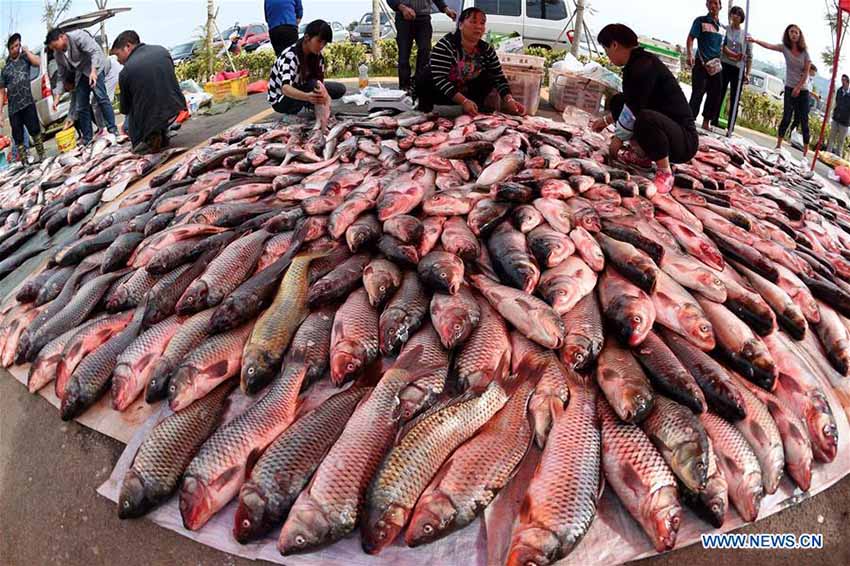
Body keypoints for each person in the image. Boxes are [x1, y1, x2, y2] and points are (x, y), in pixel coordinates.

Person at [591, 24, 698, 195]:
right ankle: (643, 157)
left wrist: (618, 140)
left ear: (614, 45)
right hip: (665, 131)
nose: (608, 56)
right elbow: (629, 102)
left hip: (683, 142)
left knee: (645, 118)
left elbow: (634, 108)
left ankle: (665, 172)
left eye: (606, 50)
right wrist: (605, 121)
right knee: (619, 101)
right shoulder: (635, 63)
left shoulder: (644, 65)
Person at [416, 8, 525, 116]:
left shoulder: (486, 50)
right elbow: (440, 80)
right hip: (439, 92)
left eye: (482, 23)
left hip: (463, 90)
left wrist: (509, 100)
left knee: (489, 76)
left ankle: (473, 106)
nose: (478, 26)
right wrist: (464, 101)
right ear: (460, 25)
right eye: (473, 22)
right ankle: (430, 108)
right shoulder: (446, 45)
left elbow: (499, 77)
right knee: (427, 77)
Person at [110, 30, 186, 154]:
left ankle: (151, 138)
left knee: (128, 124)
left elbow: (125, 108)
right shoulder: (162, 50)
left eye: (118, 55)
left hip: (154, 116)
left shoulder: (127, 70)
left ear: (128, 46)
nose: (118, 60)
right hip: (176, 107)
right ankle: (161, 131)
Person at [45, 27, 118, 144]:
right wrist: (57, 96)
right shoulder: (58, 54)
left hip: (95, 66)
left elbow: (95, 52)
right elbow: (61, 75)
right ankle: (87, 138)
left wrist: (94, 71)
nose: (55, 49)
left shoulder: (78, 36)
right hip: (82, 72)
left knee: (101, 97)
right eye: (53, 48)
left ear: (61, 37)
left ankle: (113, 130)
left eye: (55, 45)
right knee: (81, 104)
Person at [750, 25, 812, 156]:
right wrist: (755, 40)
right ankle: (778, 145)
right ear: (788, 34)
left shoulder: (805, 52)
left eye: (796, 32)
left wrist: (799, 87)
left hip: (803, 90)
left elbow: (807, 73)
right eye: (791, 32)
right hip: (789, 87)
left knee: (804, 120)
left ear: (800, 35)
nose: (794, 34)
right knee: (787, 117)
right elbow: (769, 46)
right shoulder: (785, 48)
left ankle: (805, 154)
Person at [268, 20, 346, 115]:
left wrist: (325, 98)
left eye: (324, 43)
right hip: (281, 99)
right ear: (307, 37)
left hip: (303, 87)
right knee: (312, 86)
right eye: (319, 41)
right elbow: (285, 88)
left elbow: (319, 83)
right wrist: (307, 97)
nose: (321, 46)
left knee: (339, 89)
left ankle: (309, 104)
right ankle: (300, 106)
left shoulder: (318, 56)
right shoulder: (290, 56)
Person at [388, 0, 457, 94]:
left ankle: (419, 84)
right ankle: (404, 87)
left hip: (423, 19)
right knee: (404, 54)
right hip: (403, 18)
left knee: (425, 50)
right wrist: (402, 8)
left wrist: (446, 9)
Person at [0, 33, 45, 164]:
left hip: (28, 103)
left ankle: (42, 155)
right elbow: (1, 92)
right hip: (14, 108)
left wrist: (27, 51)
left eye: (17, 45)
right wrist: (1, 113)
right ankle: (24, 161)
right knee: (18, 136)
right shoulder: (5, 69)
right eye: (13, 47)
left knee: (35, 130)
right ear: (9, 49)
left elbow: (38, 62)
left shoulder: (25, 58)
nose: (16, 49)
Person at [687, 0, 724, 130]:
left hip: (716, 65)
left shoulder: (722, 28)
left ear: (720, 6)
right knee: (698, 92)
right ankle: (689, 121)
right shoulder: (700, 21)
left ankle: (706, 122)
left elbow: (723, 48)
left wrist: (736, 56)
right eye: (710, 3)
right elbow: (691, 38)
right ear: (707, 5)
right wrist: (690, 54)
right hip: (701, 63)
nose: (713, 6)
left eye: (716, 3)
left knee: (715, 93)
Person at [715, 5, 751, 129]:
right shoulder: (726, 29)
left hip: (738, 69)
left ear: (741, 18)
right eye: (733, 13)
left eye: (738, 14)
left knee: (735, 97)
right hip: (724, 64)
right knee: (719, 91)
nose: (735, 16)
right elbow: (722, 46)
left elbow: (749, 56)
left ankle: (730, 126)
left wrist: (747, 73)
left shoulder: (745, 34)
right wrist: (734, 55)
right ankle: (713, 119)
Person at [828, 74, 850, 156]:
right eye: (842, 80)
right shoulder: (839, 91)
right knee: (831, 138)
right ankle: (828, 154)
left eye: (844, 80)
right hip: (836, 118)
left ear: (848, 82)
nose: (842, 82)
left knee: (840, 142)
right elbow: (837, 102)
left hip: (845, 122)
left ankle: (838, 158)